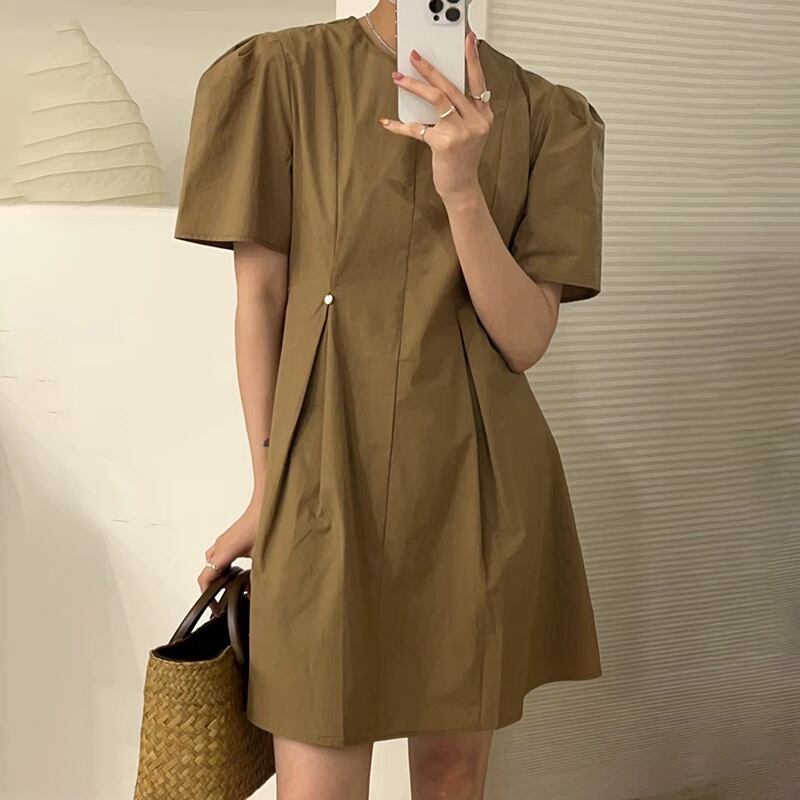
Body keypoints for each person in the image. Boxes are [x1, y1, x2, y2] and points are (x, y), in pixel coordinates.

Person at [173, 1, 605, 797]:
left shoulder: (548, 114)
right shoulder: (281, 75)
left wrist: (462, 190)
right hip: (324, 475)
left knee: (451, 779)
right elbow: (261, 298)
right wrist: (268, 489)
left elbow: (524, 339)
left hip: (473, 485)